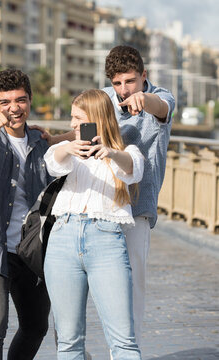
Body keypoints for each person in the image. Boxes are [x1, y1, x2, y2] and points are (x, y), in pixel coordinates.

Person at [43, 89, 145, 359]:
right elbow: (52, 162)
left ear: (97, 119)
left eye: (78, 118)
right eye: (72, 118)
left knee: (123, 342)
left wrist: (109, 152)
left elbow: (134, 168)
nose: (73, 124)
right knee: (68, 342)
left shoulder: (126, 152)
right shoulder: (67, 151)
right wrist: (68, 146)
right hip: (62, 239)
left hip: (106, 240)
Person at [0, 68, 52, 360]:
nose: (14, 108)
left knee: (36, 325)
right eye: (5, 102)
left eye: (21, 100)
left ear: (30, 100)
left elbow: (63, 149)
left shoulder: (40, 141)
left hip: (30, 251)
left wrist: (58, 136)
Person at [103, 45, 175, 346]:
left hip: (138, 208)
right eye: (117, 83)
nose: (122, 90)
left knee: (133, 287)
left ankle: (128, 351)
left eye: (129, 81)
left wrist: (142, 99)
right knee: (103, 286)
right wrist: (55, 139)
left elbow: (161, 107)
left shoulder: (162, 96)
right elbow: (85, 129)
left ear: (143, 75)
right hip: (103, 203)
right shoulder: (105, 98)